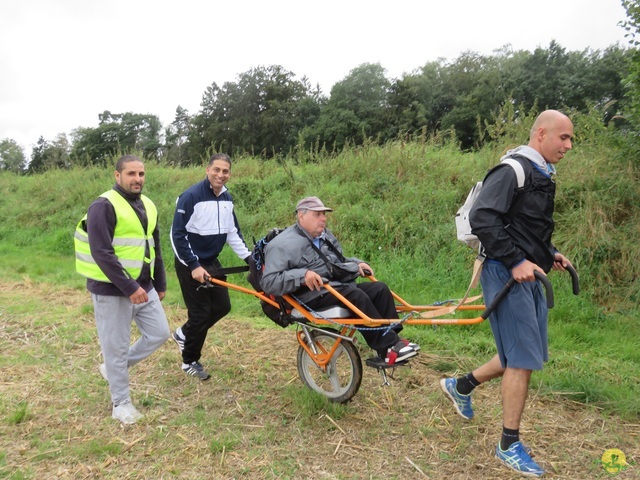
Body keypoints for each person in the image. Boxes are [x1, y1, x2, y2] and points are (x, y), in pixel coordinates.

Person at [439, 110, 575, 477]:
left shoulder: (541, 174)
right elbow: (484, 217)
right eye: (563, 138)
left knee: (523, 352)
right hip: (506, 273)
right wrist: (516, 261)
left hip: (526, 273)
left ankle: (460, 385)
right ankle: (508, 444)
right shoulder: (513, 169)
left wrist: (548, 254)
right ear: (541, 134)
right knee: (522, 358)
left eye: (571, 139)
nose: (568, 145)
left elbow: (525, 225)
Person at [260, 196, 419, 364]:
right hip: (309, 295)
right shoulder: (281, 245)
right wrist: (302, 275)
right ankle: (390, 344)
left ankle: (392, 344)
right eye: (318, 214)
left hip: (333, 286)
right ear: (301, 215)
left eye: (324, 214)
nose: (323, 219)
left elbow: (337, 261)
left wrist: (357, 264)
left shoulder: (325, 235)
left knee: (379, 289)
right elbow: (269, 282)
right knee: (356, 295)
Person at [74, 154, 170, 424]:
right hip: (112, 290)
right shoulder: (103, 205)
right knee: (114, 347)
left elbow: (155, 247)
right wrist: (129, 287)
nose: (137, 179)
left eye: (141, 174)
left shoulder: (148, 205)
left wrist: (159, 283)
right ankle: (120, 404)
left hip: (144, 286)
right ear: (117, 176)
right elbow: (101, 252)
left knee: (159, 333)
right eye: (131, 174)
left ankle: (114, 368)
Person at [170, 153, 251, 380]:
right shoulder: (190, 196)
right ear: (207, 170)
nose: (220, 175)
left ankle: (184, 334)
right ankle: (189, 361)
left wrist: (250, 259)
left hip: (212, 262)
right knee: (200, 313)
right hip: (190, 263)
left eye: (225, 171)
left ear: (229, 174)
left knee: (222, 307)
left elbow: (233, 233)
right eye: (216, 170)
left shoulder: (227, 198)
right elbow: (177, 234)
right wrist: (193, 265)